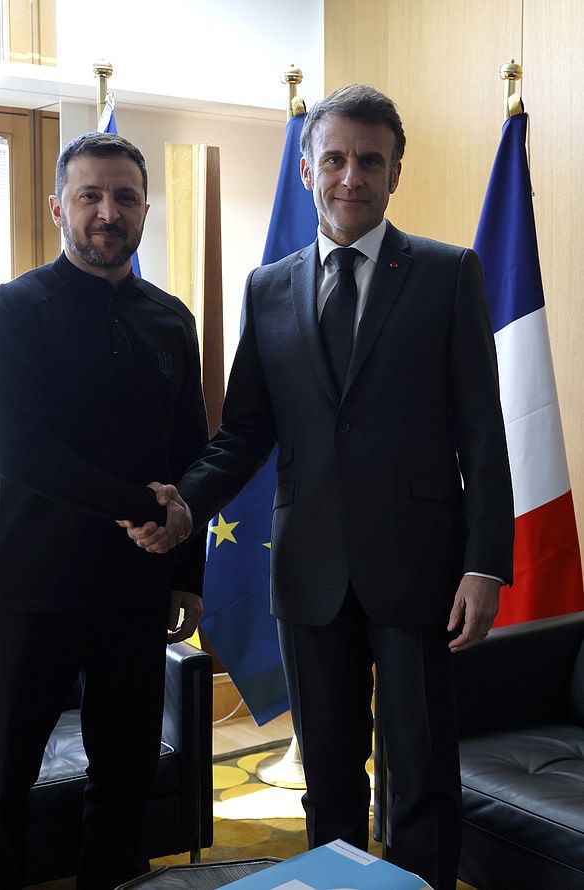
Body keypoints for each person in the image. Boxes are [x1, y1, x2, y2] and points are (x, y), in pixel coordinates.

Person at [123, 84, 514, 890]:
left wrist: (486, 562)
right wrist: (189, 500)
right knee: (329, 782)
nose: (351, 176)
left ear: (396, 171)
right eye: (333, 158)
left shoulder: (447, 274)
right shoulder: (268, 288)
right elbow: (244, 431)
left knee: (422, 780)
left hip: (420, 576)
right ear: (306, 170)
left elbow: (483, 430)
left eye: (371, 160)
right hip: (307, 575)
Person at [0, 132, 209, 889]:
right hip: (32, 592)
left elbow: (189, 455)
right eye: (91, 196)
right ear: (57, 206)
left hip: (134, 592)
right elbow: (22, 451)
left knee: (124, 776)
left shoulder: (171, 319)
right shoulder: (8, 312)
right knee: (0, 783)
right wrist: (142, 506)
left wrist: (186, 573)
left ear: (144, 209)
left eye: (124, 197)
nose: (108, 212)